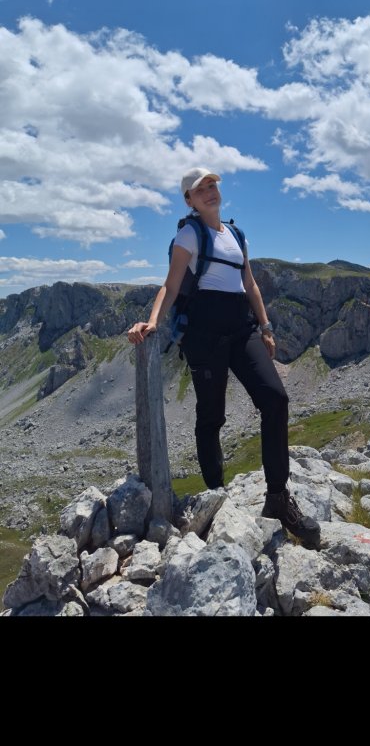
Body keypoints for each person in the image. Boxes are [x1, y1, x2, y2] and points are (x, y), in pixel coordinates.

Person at [127, 166, 321, 549]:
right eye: (201, 189)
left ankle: (278, 497)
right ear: (189, 200)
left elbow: (249, 283)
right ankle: (217, 496)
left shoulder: (236, 234)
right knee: (211, 417)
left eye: (213, 185)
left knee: (276, 399)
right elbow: (171, 284)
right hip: (204, 335)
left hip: (241, 329)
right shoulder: (189, 234)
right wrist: (152, 321)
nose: (210, 192)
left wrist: (265, 327)